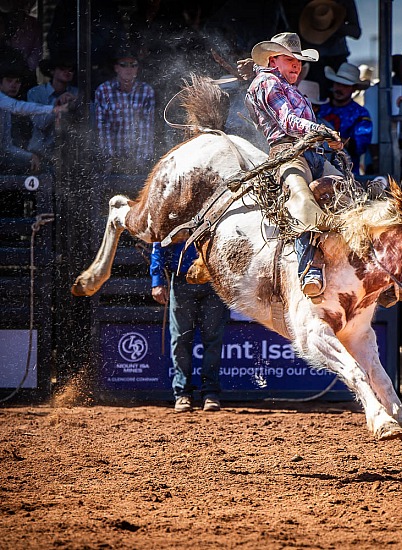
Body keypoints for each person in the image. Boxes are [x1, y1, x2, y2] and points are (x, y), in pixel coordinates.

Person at [244, 32, 344, 298]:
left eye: (298, 60)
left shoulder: (287, 87)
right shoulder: (266, 82)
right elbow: (288, 123)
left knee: (348, 193)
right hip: (287, 154)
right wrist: (321, 130)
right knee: (302, 200)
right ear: (273, 60)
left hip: (312, 153)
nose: (297, 65)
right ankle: (309, 268)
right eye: (290, 59)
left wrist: (325, 138)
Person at [150, 241, 230, 413]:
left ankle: (209, 394)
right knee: (181, 339)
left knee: (212, 338)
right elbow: (159, 242)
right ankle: (183, 393)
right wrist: (157, 280)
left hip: (213, 279)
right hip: (182, 278)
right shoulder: (175, 214)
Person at [0, 61, 68, 175]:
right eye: (9, 80)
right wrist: (53, 109)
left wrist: (30, 156)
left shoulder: (6, 110)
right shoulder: (5, 102)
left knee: (44, 169)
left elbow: (6, 147)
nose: (14, 85)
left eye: (17, 82)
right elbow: (18, 107)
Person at [94, 49, 155, 175]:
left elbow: (147, 129)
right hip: (111, 164)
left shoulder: (146, 91)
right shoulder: (103, 91)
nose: (129, 69)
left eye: (133, 65)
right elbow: (102, 129)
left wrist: (140, 163)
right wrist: (110, 161)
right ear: (116, 68)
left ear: (137, 69)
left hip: (139, 163)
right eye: (124, 65)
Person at [317, 61, 372, 176]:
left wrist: (331, 139)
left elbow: (359, 147)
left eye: (345, 85)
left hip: (347, 173)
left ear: (354, 89)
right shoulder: (320, 109)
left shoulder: (361, 114)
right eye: (337, 84)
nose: (339, 88)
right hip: (317, 169)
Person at [296, 0, 361, 98]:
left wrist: (334, 26)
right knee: (313, 98)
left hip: (336, 59)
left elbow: (356, 32)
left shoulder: (345, 3)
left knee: (338, 98)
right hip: (312, 59)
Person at [27, 53, 79, 166]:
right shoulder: (35, 93)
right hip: (40, 154)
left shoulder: (76, 93)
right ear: (52, 71)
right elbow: (40, 123)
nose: (67, 72)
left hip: (67, 156)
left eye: (71, 69)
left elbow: (84, 122)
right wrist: (56, 107)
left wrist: (75, 106)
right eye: (62, 68)